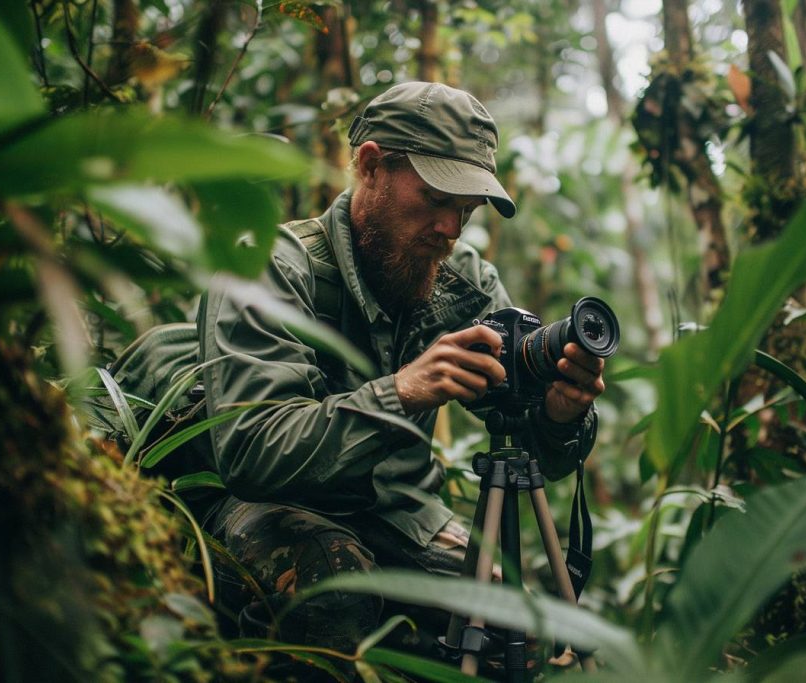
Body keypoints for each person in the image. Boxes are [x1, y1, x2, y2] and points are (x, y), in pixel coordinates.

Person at [197, 82, 606, 658]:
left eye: (465, 210)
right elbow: (251, 453)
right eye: (437, 199)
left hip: (400, 515)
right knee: (333, 590)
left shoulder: (462, 280)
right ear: (370, 166)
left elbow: (534, 450)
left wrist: (559, 417)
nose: (451, 229)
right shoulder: (269, 269)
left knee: (512, 623)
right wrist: (402, 392)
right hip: (264, 505)